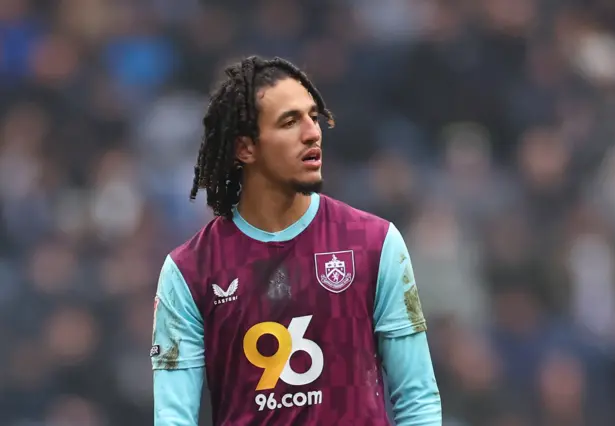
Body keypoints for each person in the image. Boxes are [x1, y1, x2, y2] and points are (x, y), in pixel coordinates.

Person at [151, 55, 442, 425]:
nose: (312, 133)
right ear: (246, 148)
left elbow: (417, 400)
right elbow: (174, 418)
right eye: (290, 121)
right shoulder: (189, 270)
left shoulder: (374, 243)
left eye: (313, 117)